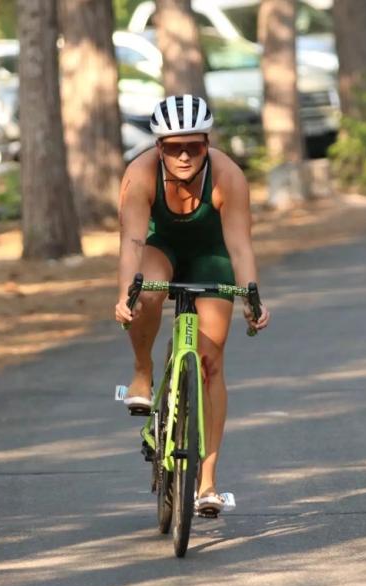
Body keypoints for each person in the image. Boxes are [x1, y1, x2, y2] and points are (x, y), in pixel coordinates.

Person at [114, 94, 271, 516]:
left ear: (207, 143)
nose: (184, 156)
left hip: (210, 253)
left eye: (194, 147)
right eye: (172, 147)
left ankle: (207, 483)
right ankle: (144, 373)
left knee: (210, 361)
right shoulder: (139, 175)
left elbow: (239, 244)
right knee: (146, 292)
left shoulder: (228, 177)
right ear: (158, 147)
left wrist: (251, 295)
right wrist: (123, 292)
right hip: (159, 246)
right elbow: (131, 242)